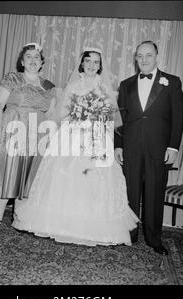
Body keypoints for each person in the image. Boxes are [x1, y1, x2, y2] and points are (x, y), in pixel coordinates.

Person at [12, 47, 139, 246]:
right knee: (65, 178)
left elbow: (110, 117)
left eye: (96, 62)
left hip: (96, 137)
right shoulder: (73, 85)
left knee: (94, 180)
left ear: (100, 66)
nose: (91, 65)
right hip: (72, 134)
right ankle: (60, 223)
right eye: (88, 61)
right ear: (82, 63)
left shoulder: (104, 87)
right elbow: (62, 113)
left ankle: (92, 226)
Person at [114, 40, 183, 255]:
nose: (143, 60)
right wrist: (118, 146)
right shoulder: (125, 85)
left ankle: (154, 240)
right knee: (130, 193)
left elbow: (178, 117)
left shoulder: (171, 82)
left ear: (156, 56)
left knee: (155, 194)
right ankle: (130, 235)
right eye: (139, 56)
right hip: (131, 146)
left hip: (159, 148)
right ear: (135, 58)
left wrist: (173, 147)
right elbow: (120, 119)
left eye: (148, 55)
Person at [0, 42, 56, 234]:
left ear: (41, 63)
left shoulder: (49, 86)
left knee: (29, 174)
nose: (32, 60)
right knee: (6, 172)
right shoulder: (12, 79)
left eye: (36, 57)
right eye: (28, 57)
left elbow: (52, 115)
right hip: (12, 130)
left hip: (37, 135)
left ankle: (23, 217)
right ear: (22, 61)